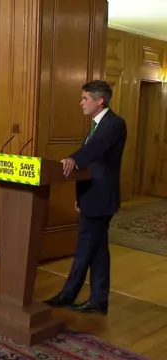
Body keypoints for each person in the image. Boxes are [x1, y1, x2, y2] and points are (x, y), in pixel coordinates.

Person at [42, 80, 127, 315]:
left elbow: (94, 151)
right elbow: (91, 164)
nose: (81, 103)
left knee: (84, 249)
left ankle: (67, 295)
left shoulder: (114, 124)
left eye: (85, 98)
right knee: (98, 250)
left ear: (99, 101)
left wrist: (72, 159)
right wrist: (80, 195)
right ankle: (99, 301)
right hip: (91, 196)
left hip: (101, 198)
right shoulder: (96, 125)